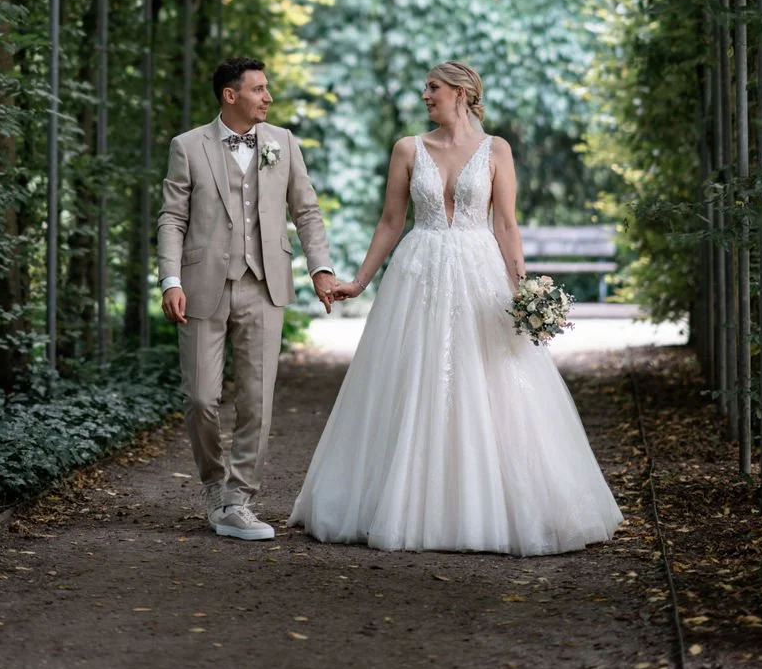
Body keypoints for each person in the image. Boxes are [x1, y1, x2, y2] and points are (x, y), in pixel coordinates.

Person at [289, 60, 623, 554]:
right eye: (425, 88)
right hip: (418, 272)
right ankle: (401, 502)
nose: (426, 96)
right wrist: (359, 282)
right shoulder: (408, 149)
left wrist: (523, 293)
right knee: (411, 379)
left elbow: (506, 225)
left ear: (462, 93)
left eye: (434, 88)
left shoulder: (497, 150)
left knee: (486, 379)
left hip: (479, 273)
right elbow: (389, 222)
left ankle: (489, 505)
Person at [158, 56, 335, 541]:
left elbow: (307, 211)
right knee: (200, 397)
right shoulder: (188, 146)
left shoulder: (283, 142)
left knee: (257, 399)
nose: (268, 97)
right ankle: (214, 486)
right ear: (230, 95)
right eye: (259, 89)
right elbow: (172, 217)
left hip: (266, 283)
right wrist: (170, 279)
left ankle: (239, 500)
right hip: (201, 286)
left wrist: (320, 269)